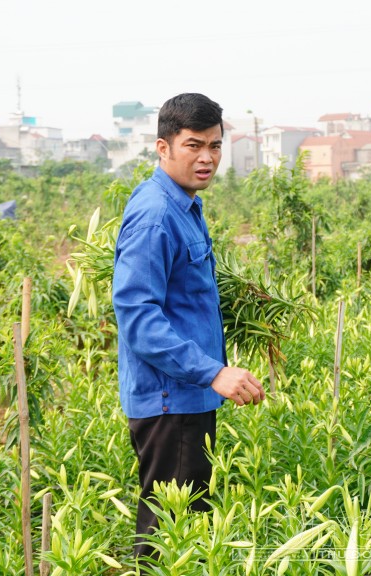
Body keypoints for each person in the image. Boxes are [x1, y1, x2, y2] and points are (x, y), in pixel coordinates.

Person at [112, 93, 265, 557]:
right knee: (166, 543)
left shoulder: (181, 203)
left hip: (186, 396)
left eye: (215, 146)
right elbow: (137, 317)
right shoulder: (158, 215)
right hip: (171, 402)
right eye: (193, 145)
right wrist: (214, 371)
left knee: (185, 533)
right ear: (163, 148)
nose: (207, 158)